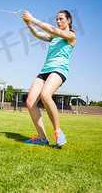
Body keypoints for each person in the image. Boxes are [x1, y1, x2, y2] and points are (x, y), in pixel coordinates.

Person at [22, 10, 76, 147]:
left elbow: (51, 29)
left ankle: (58, 132)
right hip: (45, 70)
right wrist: (28, 23)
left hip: (59, 70)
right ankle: (42, 139)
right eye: (57, 19)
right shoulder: (54, 37)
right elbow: (38, 34)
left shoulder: (70, 36)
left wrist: (32, 18)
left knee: (46, 95)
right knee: (30, 102)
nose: (58, 22)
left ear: (69, 20)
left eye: (61, 19)